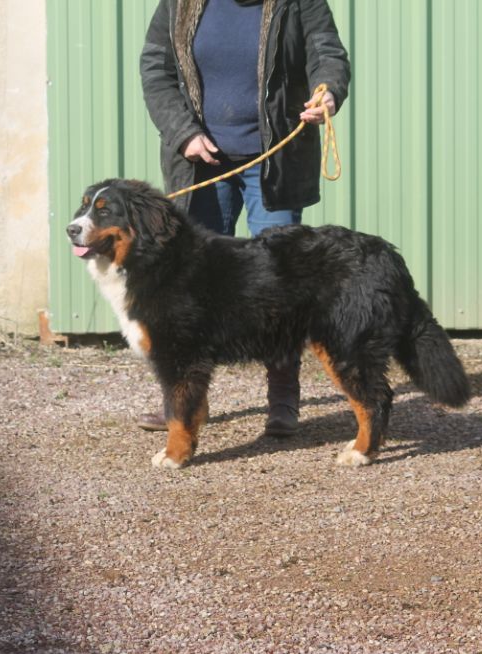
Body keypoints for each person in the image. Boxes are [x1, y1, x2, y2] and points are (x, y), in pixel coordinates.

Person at [138, 0, 351, 436]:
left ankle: (282, 402)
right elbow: (156, 71)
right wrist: (184, 134)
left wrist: (327, 90)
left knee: (281, 284)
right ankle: (184, 403)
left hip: (274, 164)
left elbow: (326, 51)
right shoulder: (179, 4)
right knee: (188, 289)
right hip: (200, 162)